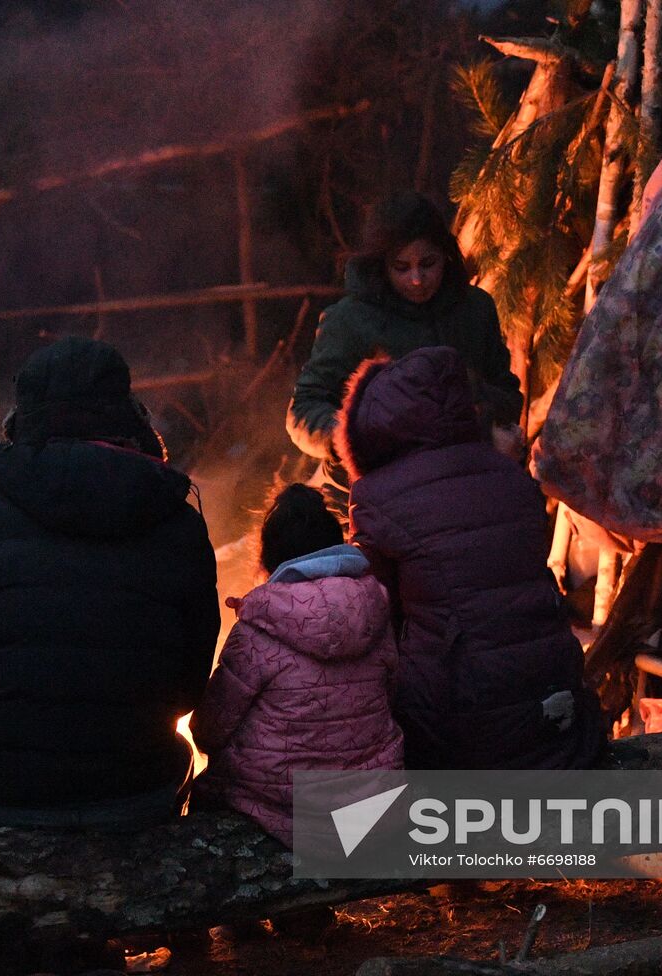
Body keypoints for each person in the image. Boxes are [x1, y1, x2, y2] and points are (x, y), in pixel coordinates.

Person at [0, 336, 219, 830]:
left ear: (22, 420)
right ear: (129, 417)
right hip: (136, 794)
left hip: (2, 793)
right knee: (182, 753)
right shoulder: (177, 522)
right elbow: (189, 685)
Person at [337, 347, 605, 771]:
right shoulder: (510, 476)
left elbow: (375, 615)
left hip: (460, 717)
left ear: (370, 425)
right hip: (553, 701)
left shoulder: (376, 496)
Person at [190, 484, 403, 847]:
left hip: (279, 806)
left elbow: (211, 729)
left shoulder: (258, 627)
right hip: (368, 800)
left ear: (270, 558)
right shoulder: (376, 613)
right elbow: (390, 694)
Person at [287, 190, 523, 508]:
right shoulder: (351, 321)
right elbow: (304, 409)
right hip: (366, 495)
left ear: (446, 256)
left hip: (457, 484)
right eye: (401, 267)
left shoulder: (474, 309)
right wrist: (357, 436)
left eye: (428, 264)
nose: (416, 279)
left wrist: (482, 418)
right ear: (381, 266)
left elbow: (506, 392)